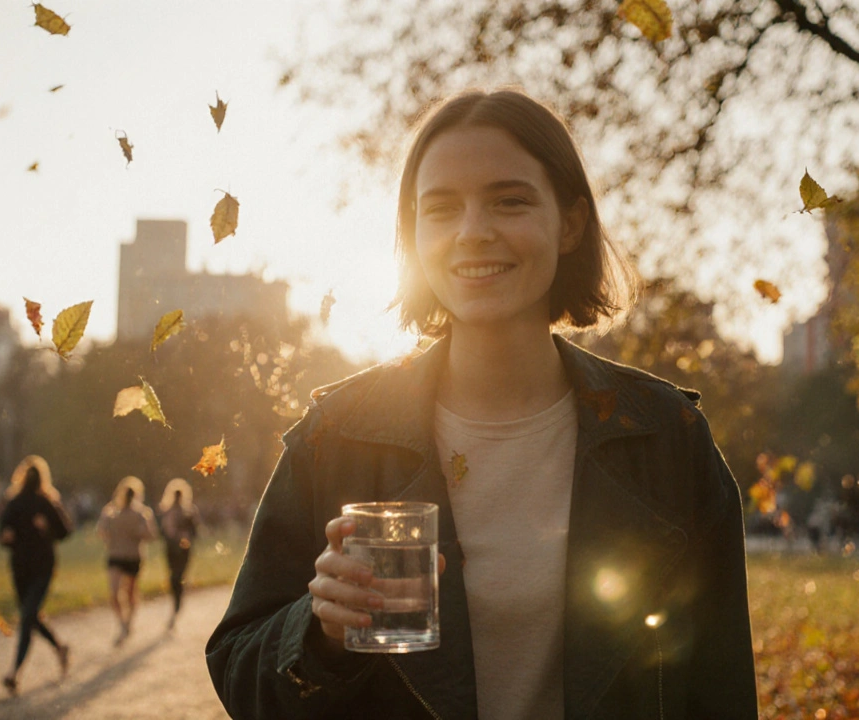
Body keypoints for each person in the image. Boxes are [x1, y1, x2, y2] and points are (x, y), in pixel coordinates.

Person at [206, 89, 758, 718]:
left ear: (571, 223)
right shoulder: (337, 436)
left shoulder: (667, 437)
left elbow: (721, 690)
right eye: (441, 209)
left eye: (510, 200)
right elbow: (238, 667)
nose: (473, 233)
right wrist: (318, 631)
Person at [0, 455, 72, 694]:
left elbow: (65, 531)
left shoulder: (47, 502)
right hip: (20, 568)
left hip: (42, 567)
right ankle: (60, 648)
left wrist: (47, 528)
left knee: (27, 617)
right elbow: (2, 532)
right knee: (30, 617)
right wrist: (5, 537)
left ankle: (14, 672)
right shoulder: (14, 502)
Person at [96, 476, 157, 645]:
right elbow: (101, 531)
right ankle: (122, 623)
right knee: (114, 593)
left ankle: (129, 620)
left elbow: (152, 535)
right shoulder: (110, 511)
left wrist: (141, 531)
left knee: (130, 592)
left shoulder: (142, 514)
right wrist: (107, 532)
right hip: (115, 556)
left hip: (133, 556)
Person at [158, 477, 201, 629]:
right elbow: (161, 533)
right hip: (171, 548)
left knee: (178, 575)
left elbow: (195, 532)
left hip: (183, 548)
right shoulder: (167, 512)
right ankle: (176, 601)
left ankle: (177, 603)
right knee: (173, 576)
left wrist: (184, 534)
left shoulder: (189, 512)